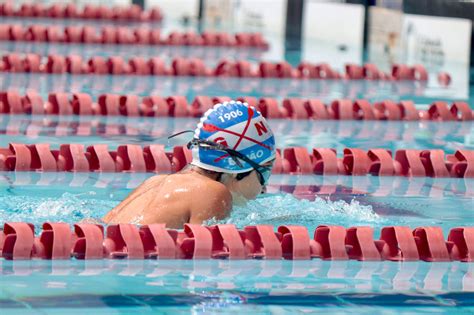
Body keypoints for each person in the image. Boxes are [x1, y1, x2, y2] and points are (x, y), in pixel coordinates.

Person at [102, 100, 276, 229]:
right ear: (237, 168)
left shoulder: (154, 182)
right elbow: (206, 258)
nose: (264, 188)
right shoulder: (212, 192)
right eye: (265, 171)